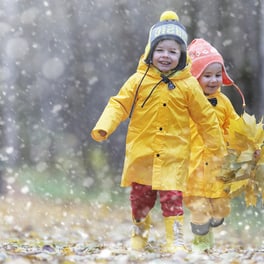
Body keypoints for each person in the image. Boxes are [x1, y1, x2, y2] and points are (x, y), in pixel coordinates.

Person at [91, 12, 226, 253]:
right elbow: (119, 103)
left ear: (181, 56)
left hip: (174, 154)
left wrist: (216, 146)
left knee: (172, 198)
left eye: (173, 51)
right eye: (160, 50)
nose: (166, 56)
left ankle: (175, 240)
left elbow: (205, 116)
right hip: (143, 152)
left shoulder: (188, 86)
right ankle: (140, 233)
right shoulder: (139, 80)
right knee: (140, 199)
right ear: (150, 52)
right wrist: (105, 126)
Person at [183, 38, 246, 253]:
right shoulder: (187, 102)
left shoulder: (224, 103)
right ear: (194, 77)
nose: (213, 80)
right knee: (199, 208)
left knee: (220, 207)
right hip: (194, 165)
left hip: (219, 165)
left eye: (217, 75)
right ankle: (201, 245)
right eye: (206, 75)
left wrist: (239, 143)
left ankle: (215, 219)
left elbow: (235, 126)